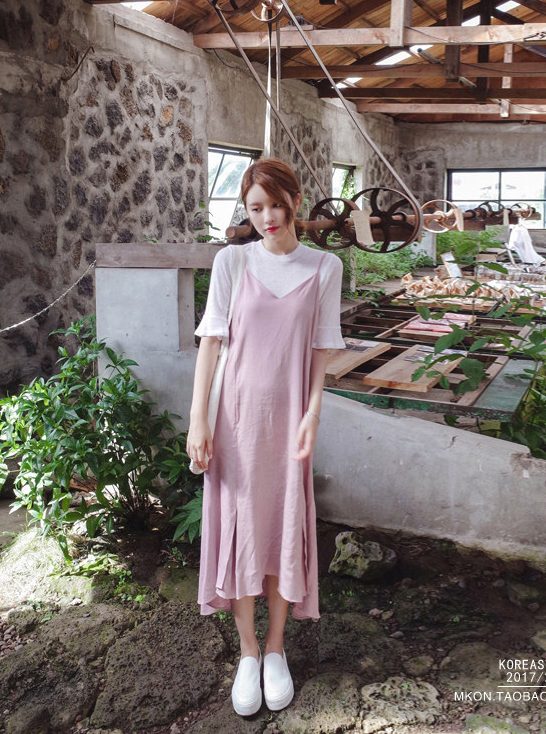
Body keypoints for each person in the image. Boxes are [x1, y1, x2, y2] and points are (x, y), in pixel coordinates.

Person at [187, 158, 344, 717]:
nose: (268, 217)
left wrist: (313, 413)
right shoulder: (232, 261)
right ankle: (248, 651)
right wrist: (198, 418)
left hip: (288, 420)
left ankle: (276, 648)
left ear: (295, 201)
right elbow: (211, 342)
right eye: (255, 208)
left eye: (276, 204)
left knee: (280, 527)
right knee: (240, 529)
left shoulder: (325, 266)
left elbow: (322, 348)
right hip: (234, 419)